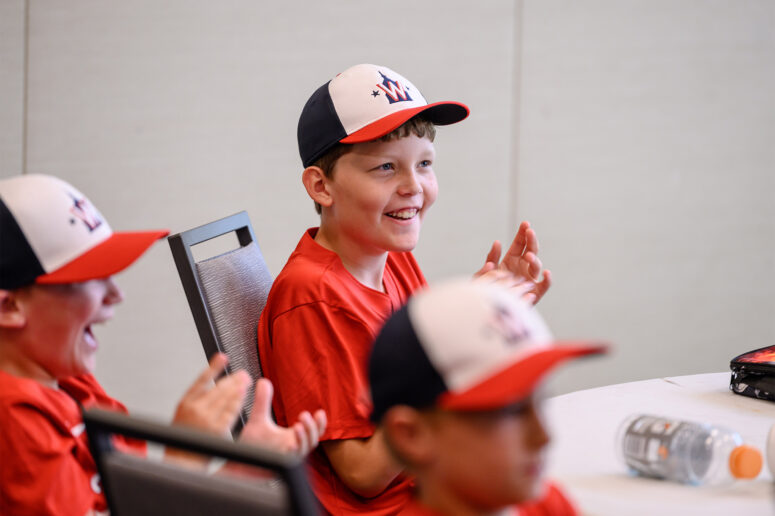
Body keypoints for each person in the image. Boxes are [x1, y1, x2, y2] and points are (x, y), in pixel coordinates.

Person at [257, 63, 552, 515]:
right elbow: (362, 474)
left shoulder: (392, 258)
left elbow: (415, 352)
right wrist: (457, 345)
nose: (414, 186)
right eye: (386, 167)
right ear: (322, 186)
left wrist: (476, 310)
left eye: (425, 164)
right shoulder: (313, 295)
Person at [0, 174, 326, 516]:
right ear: (9, 307)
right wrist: (184, 460)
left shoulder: (67, 382)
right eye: (88, 279)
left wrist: (241, 471)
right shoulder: (14, 420)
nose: (116, 294)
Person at [368, 277, 606, 516]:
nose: (544, 436)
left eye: (541, 402)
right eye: (512, 410)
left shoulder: (548, 504)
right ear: (411, 435)